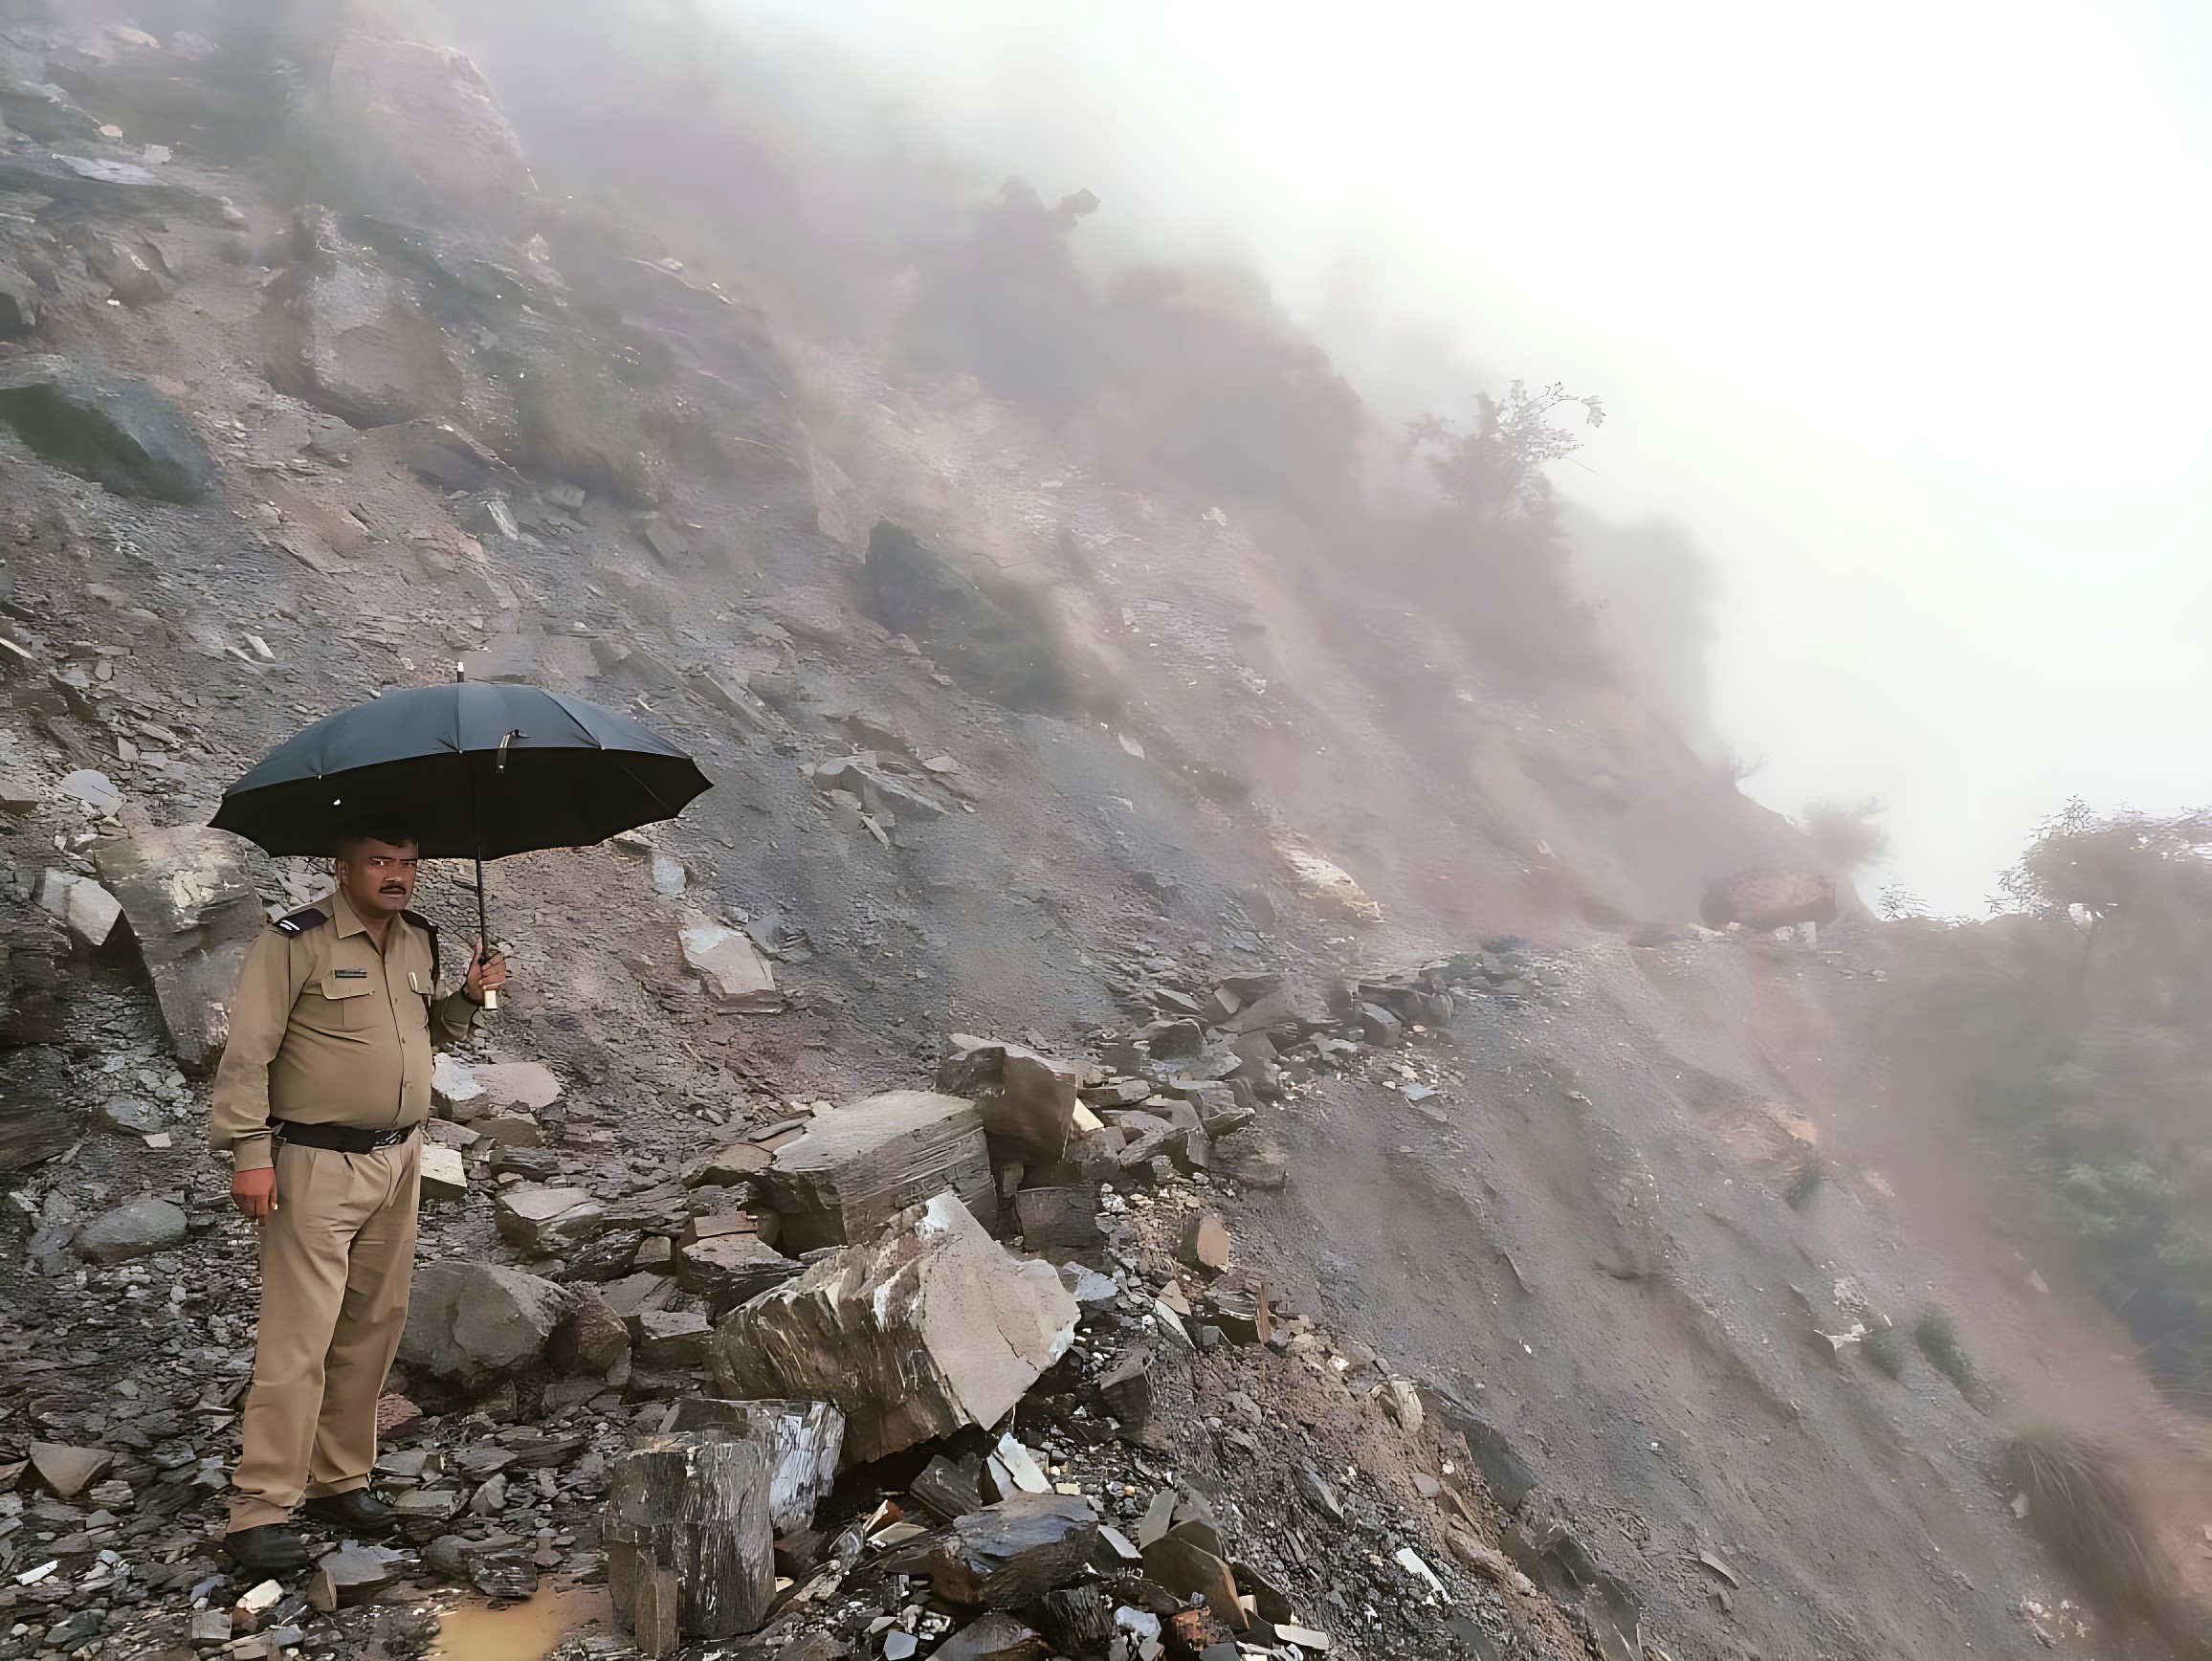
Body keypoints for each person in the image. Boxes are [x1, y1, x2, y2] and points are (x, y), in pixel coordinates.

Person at [208, 825, 508, 1572]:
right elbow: (248, 1051)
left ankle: (338, 1477)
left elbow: (427, 1035)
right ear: (342, 869)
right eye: (380, 862)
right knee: (297, 1338)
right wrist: (249, 1153)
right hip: (313, 1163)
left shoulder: (419, 942)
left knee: (375, 1322)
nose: (397, 875)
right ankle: (258, 1511)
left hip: (399, 1160)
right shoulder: (293, 941)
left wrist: (470, 997)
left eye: (408, 864)